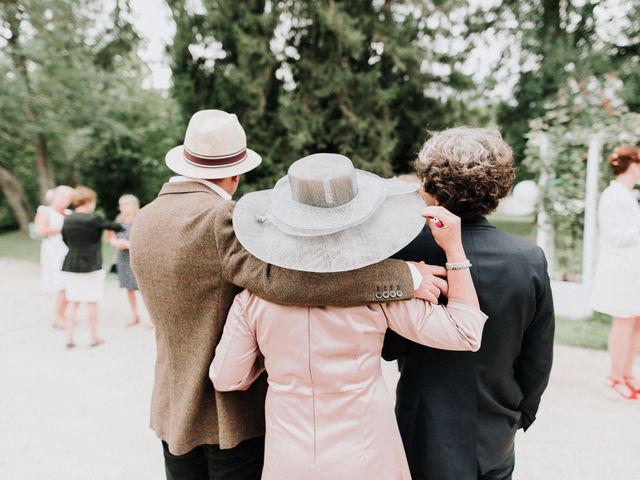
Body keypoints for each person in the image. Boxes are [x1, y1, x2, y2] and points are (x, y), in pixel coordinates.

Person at [129, 110, 445, 480]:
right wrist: (404, 276)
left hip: (172, 408)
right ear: (235, 174)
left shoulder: (144, 219)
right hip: (232, 417)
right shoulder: (219, 218)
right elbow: (287, 282)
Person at [209, 153, 488, 480]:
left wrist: (274, 362)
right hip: (367, 453)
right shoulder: (381, 292)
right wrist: (454, 251)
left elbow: (226, 378)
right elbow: (465, 333)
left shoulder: (252, 300)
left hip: (290, 457)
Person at [382, 127, 555, 480]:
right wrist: (520, 413)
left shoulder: (406, 257)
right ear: (499, 186)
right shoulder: (529, 259)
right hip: (495, 429)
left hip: (422, 427)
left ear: (430, 185)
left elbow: (388, 345)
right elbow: (538, 357)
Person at [591, 146, 640, 400]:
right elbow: (615, 236)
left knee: (636, 324)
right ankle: (615, 376)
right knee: (623, 323)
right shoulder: (614, 196)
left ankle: (628, 373)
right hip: (620, 271)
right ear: (633, 166)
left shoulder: (628, 195)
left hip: (634, 270)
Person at [61, 186, 122, 348]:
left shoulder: (67, 219)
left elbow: (65, 240)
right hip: (92, 265)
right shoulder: (94, 219)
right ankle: (93, 337)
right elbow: (115, 227)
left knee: (73, 302)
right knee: (91, 302)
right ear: (88, 201)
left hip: (70, 264)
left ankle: (69, 337)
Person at [34, 185, 74, 328]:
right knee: (64, 285)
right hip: (54, 252)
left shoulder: (69, 213)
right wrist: (61, 229)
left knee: (70, 284)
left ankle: (62, 313)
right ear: (55, 197)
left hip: (70, 250)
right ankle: (59, 316)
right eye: (64, 197)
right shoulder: (45, 211)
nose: (66, 200)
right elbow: (39, 230)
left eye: (69, 198)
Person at [107, 194, 143, 327]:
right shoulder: (119, 220)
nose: (122, 208)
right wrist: (115, 242)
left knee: (143, 288)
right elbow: (110, 237)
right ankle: (134, 315)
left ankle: (152, 317)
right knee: (129, 288)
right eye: (121, 205)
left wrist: (129, 245)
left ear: (134, 205)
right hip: (123, 258)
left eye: (126, 204)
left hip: (138, 257)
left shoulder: (141, 219)